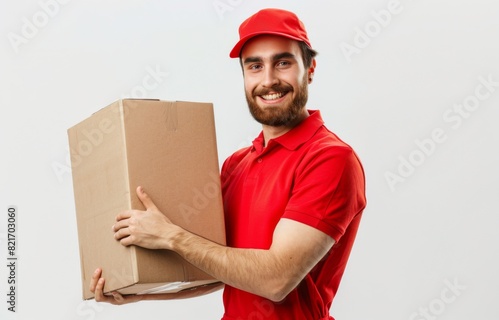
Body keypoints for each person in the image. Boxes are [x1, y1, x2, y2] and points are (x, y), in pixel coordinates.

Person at [90, 8, 367, 320]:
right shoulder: (237, 165)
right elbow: (222, 269)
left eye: (283, 62)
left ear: (310, 69)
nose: (269, 80)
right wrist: (137, 293)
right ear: (244, 76)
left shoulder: (330, 159)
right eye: (255, 66)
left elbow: (276, 280)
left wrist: (170, 235)